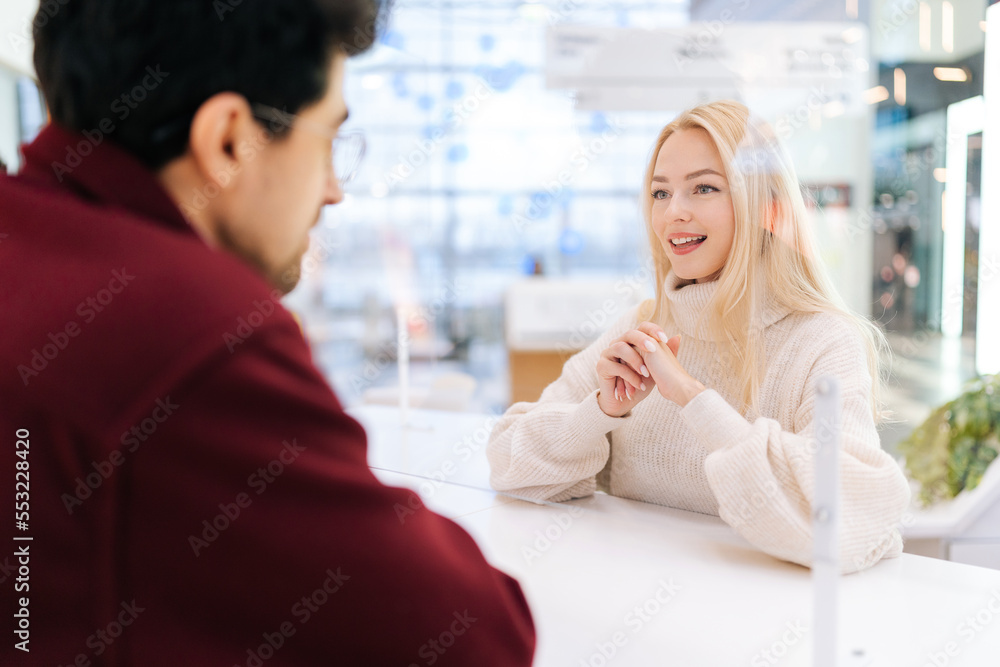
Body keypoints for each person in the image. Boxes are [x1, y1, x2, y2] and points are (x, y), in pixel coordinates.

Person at [0, 1, 534, 665]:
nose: (335, 190)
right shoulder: (186, 323)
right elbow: (473, 635)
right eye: (328, 142)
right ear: (229, 140)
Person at [487, 100, 911, 574]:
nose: (673, 214)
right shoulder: (643, 323)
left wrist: (691, 398)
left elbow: (849, 518)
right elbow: (509, 465)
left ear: (762, 206)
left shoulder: (822, 341)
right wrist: (602, 411)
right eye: (660, 193)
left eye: (704, 188)